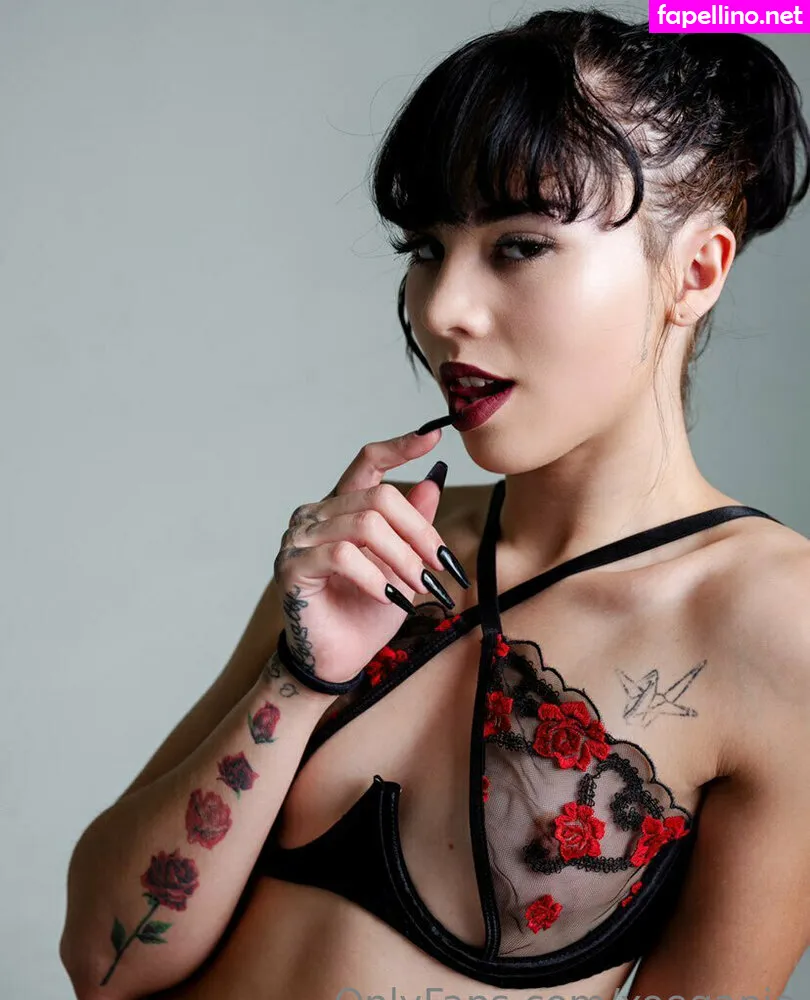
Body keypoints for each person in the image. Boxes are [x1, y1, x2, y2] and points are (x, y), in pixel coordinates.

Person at [60, 8, 810, 1000]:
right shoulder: (382, 542)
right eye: (424, 247)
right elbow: (101, 959)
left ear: (696, 271)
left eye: (520, 246)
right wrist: (298, 678)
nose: (442, 308)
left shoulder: (775, 624)